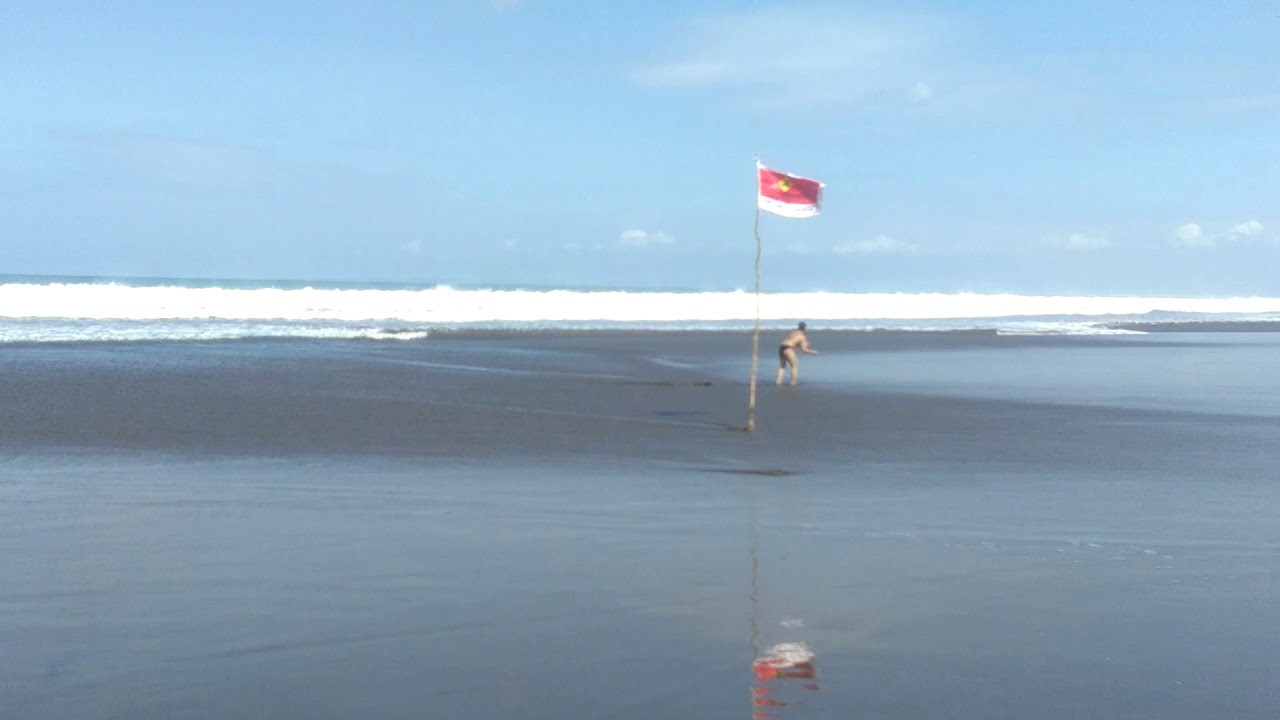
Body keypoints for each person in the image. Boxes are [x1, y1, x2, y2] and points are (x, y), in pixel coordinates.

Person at [776, 321, 817, 386]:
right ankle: (793, 383)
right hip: (788, 348)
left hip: (781, 347)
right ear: (805, 329)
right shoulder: (802, 337)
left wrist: (800, 345)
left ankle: (778, 382)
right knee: (794, 366)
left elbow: (792, 342)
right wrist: (813, 352)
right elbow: (803, 349)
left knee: (782, 366)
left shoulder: (793, 333)